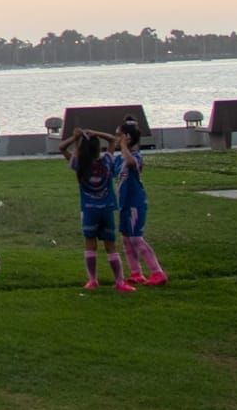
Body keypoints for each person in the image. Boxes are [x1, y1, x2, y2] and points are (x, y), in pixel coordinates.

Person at [59, 128, 132, 292]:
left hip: (89, 210)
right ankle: (120, 281)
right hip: (106, 209)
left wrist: (74, 137)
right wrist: (96, 133)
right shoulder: (107, 161)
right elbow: (113, 140)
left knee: (90, 245)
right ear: (98, 148)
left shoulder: (80, 165)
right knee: (111, 247)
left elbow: (62, 148)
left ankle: (92, 280)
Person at [115, 120, 168, 286]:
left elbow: (131, 163)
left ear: (128, 138)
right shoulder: (118, 160)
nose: (117, 139)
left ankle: (157, 272)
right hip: (124, 204)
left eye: (120, 135)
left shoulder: (136, 157)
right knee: (126, 239)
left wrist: (123, 146)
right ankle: (136, 272)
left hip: (134, 204)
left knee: (136, 239)